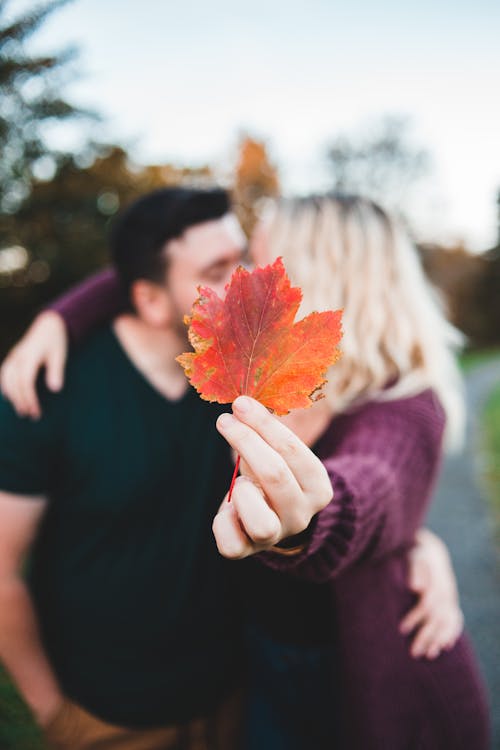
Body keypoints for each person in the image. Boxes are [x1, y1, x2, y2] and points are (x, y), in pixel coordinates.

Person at [1, 189, 484, 749]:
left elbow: (370, 487)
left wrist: (303, 523)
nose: (243, 278)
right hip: (253, 668)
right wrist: (60, 316)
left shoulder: (403, 404)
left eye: (256, 259)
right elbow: (157, 276)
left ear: (321, 273)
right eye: (235, 264)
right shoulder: (255, 378)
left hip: (353, 687)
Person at [0, 187, 335, 750]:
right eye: (217, 267)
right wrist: (51, 711)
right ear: (151, 301)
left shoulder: (246, 386)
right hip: (108, 715)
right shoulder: (46, 392)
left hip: (232, 696)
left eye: (242, 257)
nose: (245, 279)